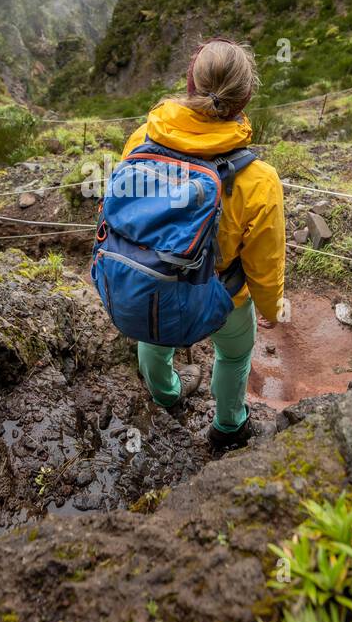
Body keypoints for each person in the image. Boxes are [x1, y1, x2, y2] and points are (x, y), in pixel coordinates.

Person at [121, 38, 285, 451]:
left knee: (153, 337)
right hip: (223, 295)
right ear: (245, 97)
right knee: (233, 356)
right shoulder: (259, 179)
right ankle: (228, 425)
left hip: (153, 280)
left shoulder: (142, 138)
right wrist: (270, 308)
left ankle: (166, 395)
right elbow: (264, 262)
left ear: (190, 84)